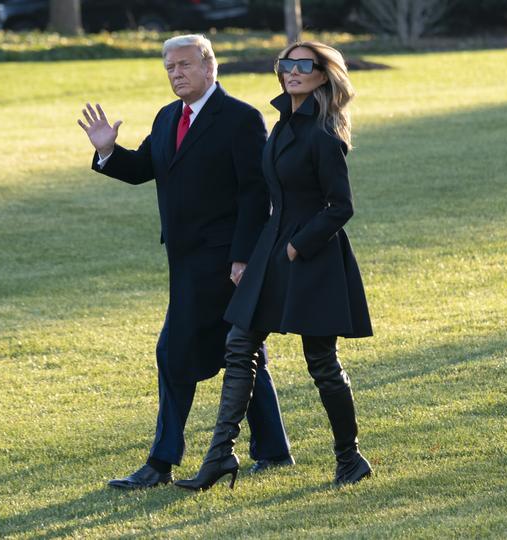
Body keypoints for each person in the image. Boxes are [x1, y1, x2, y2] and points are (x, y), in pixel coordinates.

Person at [78, 34, 294, 490]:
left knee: (174, 352)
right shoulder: (167, 116)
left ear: (210, 66)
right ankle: (274, 451)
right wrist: (107, 152)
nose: (177, 74)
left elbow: (255, 195)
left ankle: (161, 461)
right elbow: (144, 169)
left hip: (223, 265)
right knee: (242, 352)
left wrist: (241, 260)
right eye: (169, 68)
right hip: (184, 262)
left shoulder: (240, 119)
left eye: (185, 65)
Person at [175, 41, 374, 491]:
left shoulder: (322, 134)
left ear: (323, 75)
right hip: (271, 250)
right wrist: (257, 252)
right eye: (287, 64)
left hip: (310, 257)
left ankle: (350, 457)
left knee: (321, 361)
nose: (293, 71)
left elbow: (340, 207)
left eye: (305, 65)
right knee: (239, 343)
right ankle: (220, 457)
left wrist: (297, 247)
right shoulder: (283, 125)